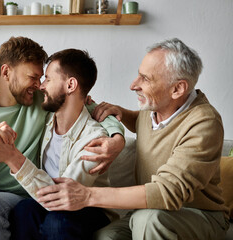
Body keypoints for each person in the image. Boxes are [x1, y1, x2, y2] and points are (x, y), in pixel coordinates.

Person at [0, 36, 125, 240]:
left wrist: (117, 137)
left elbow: (86, 107)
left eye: (42, 78)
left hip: (16, 193)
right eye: (32, 77)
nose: (39, 84)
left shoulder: (42, 102)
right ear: (6, 71)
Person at [35, 38, 230, 240]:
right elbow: (142, 123)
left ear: (177, 89)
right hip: (145, 211)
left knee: (150, 220)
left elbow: (167, 192)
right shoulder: (155, 108)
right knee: (105, 237)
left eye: (146, 79)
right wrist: (119, 118)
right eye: (139, 74)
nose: (133, 85)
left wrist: (87, 195)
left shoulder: (204, 123)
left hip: (198, 215)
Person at [0, 48, 124, 240]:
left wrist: (13, 157)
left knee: (58, 222)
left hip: (87, 207)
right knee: (24, 210)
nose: (41, 86)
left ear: (71, 85)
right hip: (49, 201)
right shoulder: (45, 118)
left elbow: (63, 196)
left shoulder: (95, 139)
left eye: (47, 78)